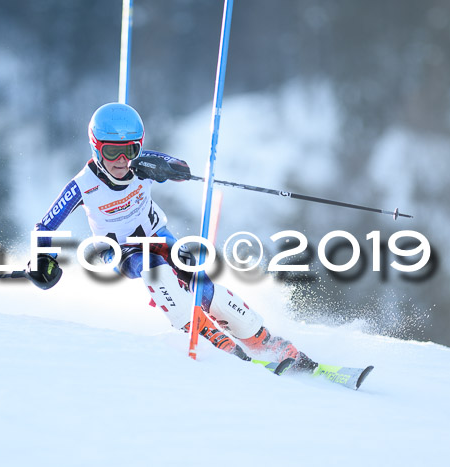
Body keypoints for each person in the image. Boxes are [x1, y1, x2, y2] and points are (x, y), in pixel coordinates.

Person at [27, 102, 317, 372]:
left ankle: (263, 340)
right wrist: (44, 260)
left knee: (201, 286)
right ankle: (208, 337)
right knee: (156, 270)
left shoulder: (142, 164)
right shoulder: (83, 185)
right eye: (110, 152)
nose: (121, 160)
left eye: (129, 150)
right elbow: (45, 226)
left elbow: (181, 169)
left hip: (157, 234)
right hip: (122, 249)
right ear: (95, 148)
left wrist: (164, 168)